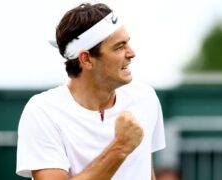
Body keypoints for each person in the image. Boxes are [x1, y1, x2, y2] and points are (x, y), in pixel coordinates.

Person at [16, 2, 165, 180]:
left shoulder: (145, 97)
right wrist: (120, 147)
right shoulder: (42, 111)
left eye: (128, 43)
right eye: (119, 47)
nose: (131, 53)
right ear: (86, 59)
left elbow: (145, 172)